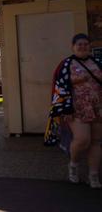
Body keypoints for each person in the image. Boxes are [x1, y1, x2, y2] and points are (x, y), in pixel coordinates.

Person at [45, 33, 102, 189]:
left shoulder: (98, 62)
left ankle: (93, 176)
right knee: (83, 139)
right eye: (79, 44)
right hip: (76, 108)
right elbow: (59, 87)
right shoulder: (66, 64)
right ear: (73, 46)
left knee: (96, 142)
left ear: (89, 46)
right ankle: (74, 165)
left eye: (85, 44)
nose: (83, 47)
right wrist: (64, 108)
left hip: (98, 108)